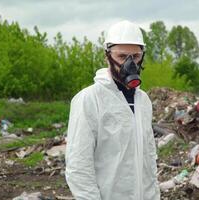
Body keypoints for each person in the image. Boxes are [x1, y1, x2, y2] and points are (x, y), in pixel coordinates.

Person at [65, 20, 160, 200]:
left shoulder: (144, 101)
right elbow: (78, 166)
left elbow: (148, 160)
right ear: (107, 55)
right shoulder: (89, 99)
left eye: (136, 56)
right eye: (122, 56)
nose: (130, 64)